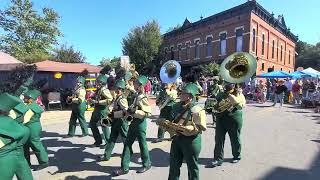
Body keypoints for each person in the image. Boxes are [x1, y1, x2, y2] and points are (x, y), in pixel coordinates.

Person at [165, 83, 207, 180]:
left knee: (192, 168)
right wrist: (165, 123)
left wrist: (190, 128)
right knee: (174, 166)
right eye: (181, 92)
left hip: (191, 141)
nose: (181, 95)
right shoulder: (176, 106)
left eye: (184, 93)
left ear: (190, 96)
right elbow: (171, 118)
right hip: (177, 139)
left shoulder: (197, 109)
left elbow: (200, 127)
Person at [113, 75, 152, 176]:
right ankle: (124, 168)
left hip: (140, 123)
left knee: (142, 144)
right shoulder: (136, 95)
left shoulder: (142, 97)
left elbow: (147, 113)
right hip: (133, 123)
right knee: (127, 144)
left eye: (136, 84)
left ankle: (146, 164)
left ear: (140, 86)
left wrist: (135, 111)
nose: (133, 85)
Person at [206, 83, 246, 168]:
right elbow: (213, 105)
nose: (227, 85)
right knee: (219, 139)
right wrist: (210, 107)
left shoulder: (239, 94)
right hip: (221, 119)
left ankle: (237, 156)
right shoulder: (221, 94)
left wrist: (233, 99)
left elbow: (240, 106)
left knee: (235, 138)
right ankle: (218, 159)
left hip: (234, 119)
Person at [0, 93, 34, 180]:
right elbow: (25, 131)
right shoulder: (17, 125)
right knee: (22, 167)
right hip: (14, 152)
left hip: (4, 159)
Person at [99, 79, 129, 161]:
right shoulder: (117, 97)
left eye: (116, 87)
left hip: (121, 122)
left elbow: (126, 111)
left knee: (125, 139)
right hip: (116, 121)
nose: (114, 89)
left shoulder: (122, 99)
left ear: (119, 89)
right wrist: (110, 114)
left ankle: (129, 153)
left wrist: (114, 114)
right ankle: (106, 155)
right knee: (112, 139)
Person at [23, 89, 49, 170]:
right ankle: (26, 163)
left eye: (25, 98)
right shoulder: (35, 105)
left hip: (31, 127)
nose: (24, 99)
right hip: (33, 126)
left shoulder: (30, 107)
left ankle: (44, 162)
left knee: (35, 144)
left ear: (30, 99)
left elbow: (25, 119)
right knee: (25, 144)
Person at [89, 74, 113, 147]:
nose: (96, 83)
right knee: (92, 124)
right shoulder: (98, 90)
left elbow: (110, 99)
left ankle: (108, 142)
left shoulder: (104, 90)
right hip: (96, 109)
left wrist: (98, 102)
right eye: (97, 82)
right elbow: (97, 98)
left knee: (104, 126)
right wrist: (92, 99)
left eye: (98, 82)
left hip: (103, 110)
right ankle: (98, 140)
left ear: (102, 83)